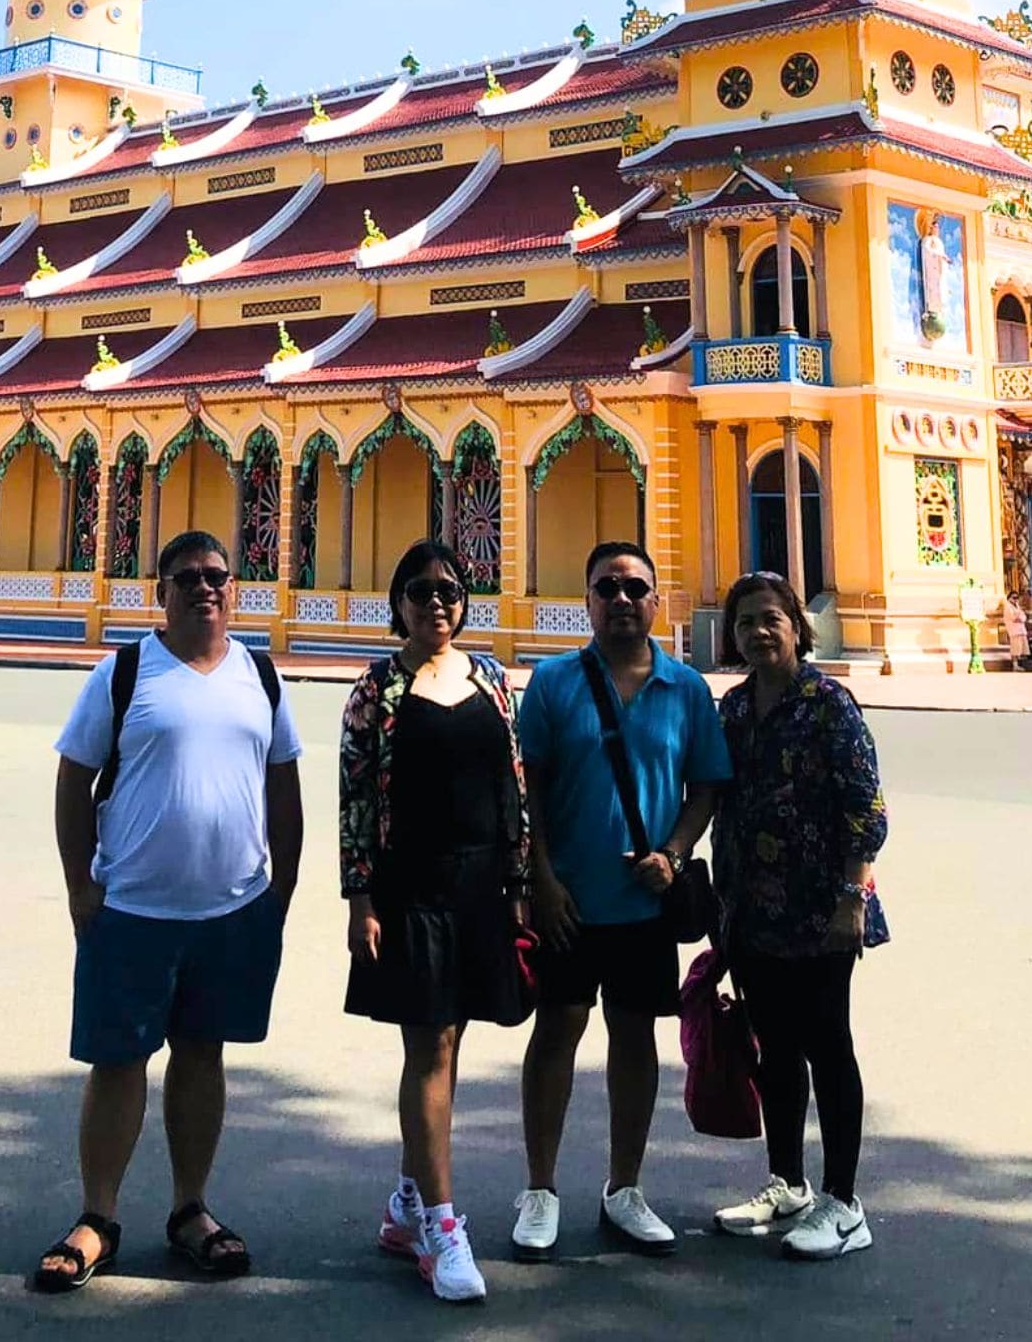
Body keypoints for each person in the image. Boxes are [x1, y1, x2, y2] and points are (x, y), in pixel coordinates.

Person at [33, 530, 304, 1294]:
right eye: (186, 578)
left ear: (235, 587)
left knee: (202, 1056)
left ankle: (191, 1211)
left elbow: (283, 787)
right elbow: (73, 779)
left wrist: (280, 890)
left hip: (231, 908)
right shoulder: (123, 673)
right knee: (118, 1062)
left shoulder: (258, 674)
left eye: (216, 576)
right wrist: (80, 885)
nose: (203, 588)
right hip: (133, 907)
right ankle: (98, 1217)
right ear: (162, 590)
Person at [512, 542, 730, 1261]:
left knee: (635, 1039)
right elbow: (530, 789)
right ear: (588, 601)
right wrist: (540, 879)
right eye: (607, 587)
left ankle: (624, 1188)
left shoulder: (687, 689)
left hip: (644, 906)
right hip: (570, 900)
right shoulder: (552, 683)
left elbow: (705, 787)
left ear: (656, 601)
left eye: (636, 588)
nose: (623, 600)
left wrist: (673, 854)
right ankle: (540, 1189)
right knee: (557, 1034)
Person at [341, 539, 531, 1304]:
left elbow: (513, 780)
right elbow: (355, 798)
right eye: (419, 591)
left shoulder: (490, 679)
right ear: (398, 604)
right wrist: (359, 898)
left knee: (454, 1044)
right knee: (431, 1043)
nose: (436, 604)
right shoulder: (376, 689)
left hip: (481, 883)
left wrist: (519, 883)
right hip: (409, 884)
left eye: (449, 590)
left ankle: (408, 1200)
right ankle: (443, 1230)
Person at [710, 572, 889, 1261]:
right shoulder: (732, 708)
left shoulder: (828, 704)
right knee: (775, 1051)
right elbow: (712, 795)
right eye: (746, 621)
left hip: (820, 907)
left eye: (770, 619)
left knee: (827, 1045)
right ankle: (787, 1181)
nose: (758, 632)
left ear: (796, 628)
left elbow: (865, 808)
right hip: (752, 908)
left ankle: (845, 1204)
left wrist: (853, 897)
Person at [1002, 592, 1031, 667]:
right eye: (1014, 598)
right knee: (1015, 649)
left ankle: (1020, 664)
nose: (1016, 600)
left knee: (1021, 648)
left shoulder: (1017, 606)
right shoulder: (1008, 607)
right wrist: (1018, 616)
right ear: (1009, 598)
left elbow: (1023, 617)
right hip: (1014, 630)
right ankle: (1015, 665)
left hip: (1021, 630)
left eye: (1017, 598)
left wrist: (1019, 617)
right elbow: (1013, 617)